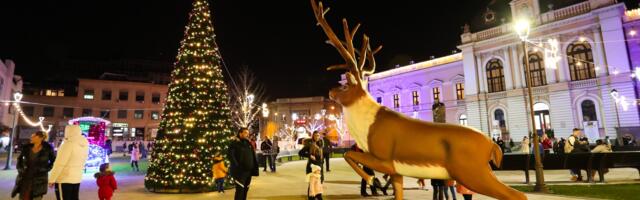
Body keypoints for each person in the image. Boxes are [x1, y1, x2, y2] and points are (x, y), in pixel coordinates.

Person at [11, 131, 56, 200]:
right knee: (23, 197)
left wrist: (44, 169)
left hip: (39, 179)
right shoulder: (26, 148)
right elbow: (19, 159)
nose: (31, 137)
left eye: (34, 136)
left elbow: (53, 161)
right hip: (25, 178)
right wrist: (20, 169)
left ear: (40, 138)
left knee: (36, 197)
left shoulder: (48, 149)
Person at [49, 125, 89, 200]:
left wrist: (52, 179)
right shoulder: (84, 145)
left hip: (64, 178)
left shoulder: (67, 144)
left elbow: (59, 164)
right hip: (76, 178)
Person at [228, 128, 259, 200]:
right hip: (240, 172)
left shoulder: (248, 143)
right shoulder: (234, 143)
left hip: (248, 171)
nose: (247, 134)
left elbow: (252, 155)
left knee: (245, 190)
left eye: (248, 133)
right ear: (240, 133)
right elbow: (230, 156)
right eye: (245, 133)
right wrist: (237, 166)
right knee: (240, 190)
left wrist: (254, 167)